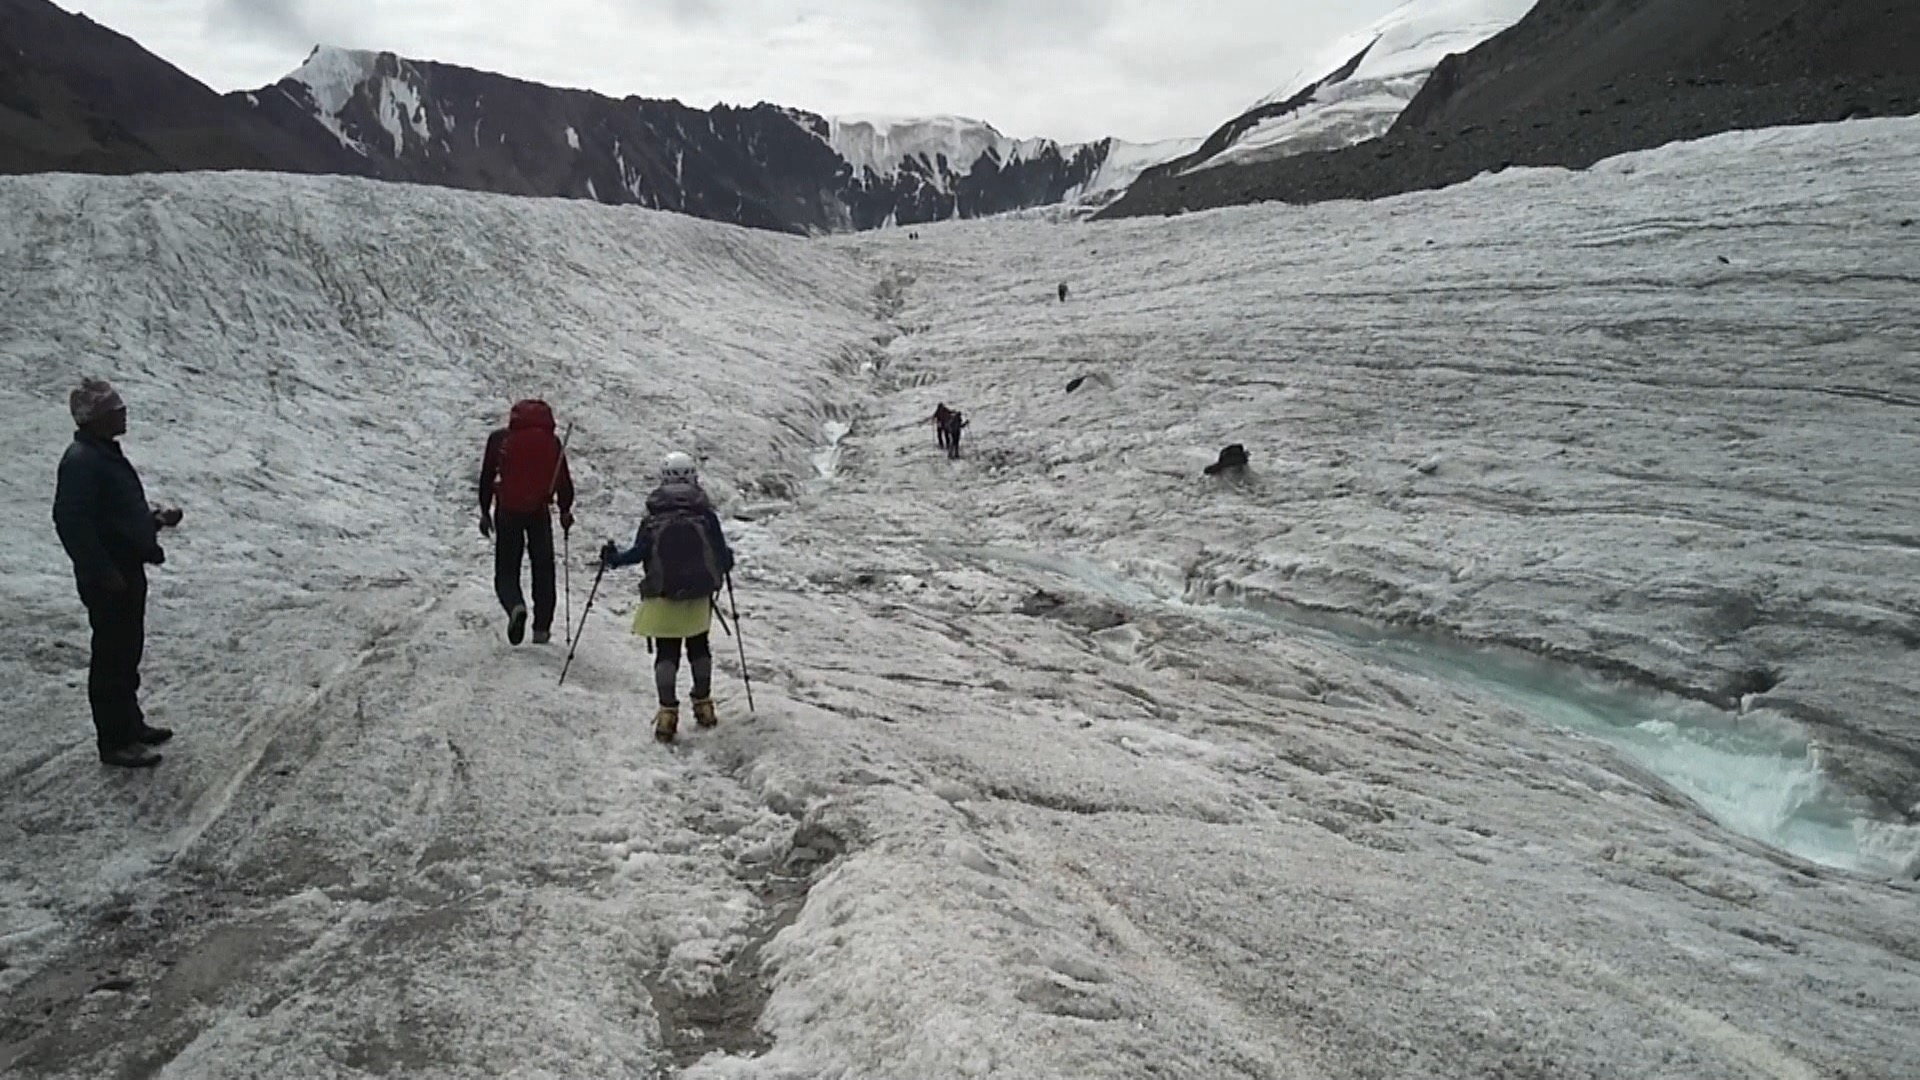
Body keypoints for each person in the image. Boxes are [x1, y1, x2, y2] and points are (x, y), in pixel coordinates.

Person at [52, 378, 182, 768]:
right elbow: (71, 521)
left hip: (124, 569)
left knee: (126, 652)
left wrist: (152, 521)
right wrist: (101, 569)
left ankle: (130, 725)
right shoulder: (82, 461)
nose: (123, 413)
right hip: (109, 576)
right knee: (111, 657)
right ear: (95, 418)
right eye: (115, 409)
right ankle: (115, 741)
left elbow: (113, 516)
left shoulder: (101, 454)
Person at [599, 451, 735, 743]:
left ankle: (667, 714)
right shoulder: (705, 514)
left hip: (663, 592)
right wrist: (727, 562)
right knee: (699, 646)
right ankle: (704, 705)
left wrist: (613, 558)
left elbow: (638, 553)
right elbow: (722, 556)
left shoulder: (653, 517)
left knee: (667, 651)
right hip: (699, 593)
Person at [479, 399, 574, 645]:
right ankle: (541, 628)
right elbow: (563, 481)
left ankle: (515, 606)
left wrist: (484, 511)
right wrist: (565, 510)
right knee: (543, 568)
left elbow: (487, 476)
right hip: (539, 511)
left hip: (507, 510)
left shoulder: (499, 439)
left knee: (506, 570)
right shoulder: (552, 443)